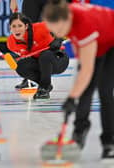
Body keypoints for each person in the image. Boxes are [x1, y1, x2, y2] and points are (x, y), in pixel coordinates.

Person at [43, 0, 114, 159]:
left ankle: (109, 142)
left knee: (105, 91)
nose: (59, 34)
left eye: (60, 29)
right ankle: (80, 129)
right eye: (53, 31)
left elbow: (88, 70)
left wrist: (71, 98)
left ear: (68, 19)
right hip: (97, 40)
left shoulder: (83, 24)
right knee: (85, 88)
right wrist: (75, 95)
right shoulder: (67, 18)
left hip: (111, 41)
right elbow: (84, 68)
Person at [7, 13, 69, 99]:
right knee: (20, 66)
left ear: (26, 26)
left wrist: (59, 39)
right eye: (14, 26)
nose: (17, 29)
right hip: (40, 63)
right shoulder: (11, 43)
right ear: (10, 28)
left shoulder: (40, 27)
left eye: (20, 26)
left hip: (58, 59)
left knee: (45, 55)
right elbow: (27, 58)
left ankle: (44, 88)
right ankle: (45, 85)